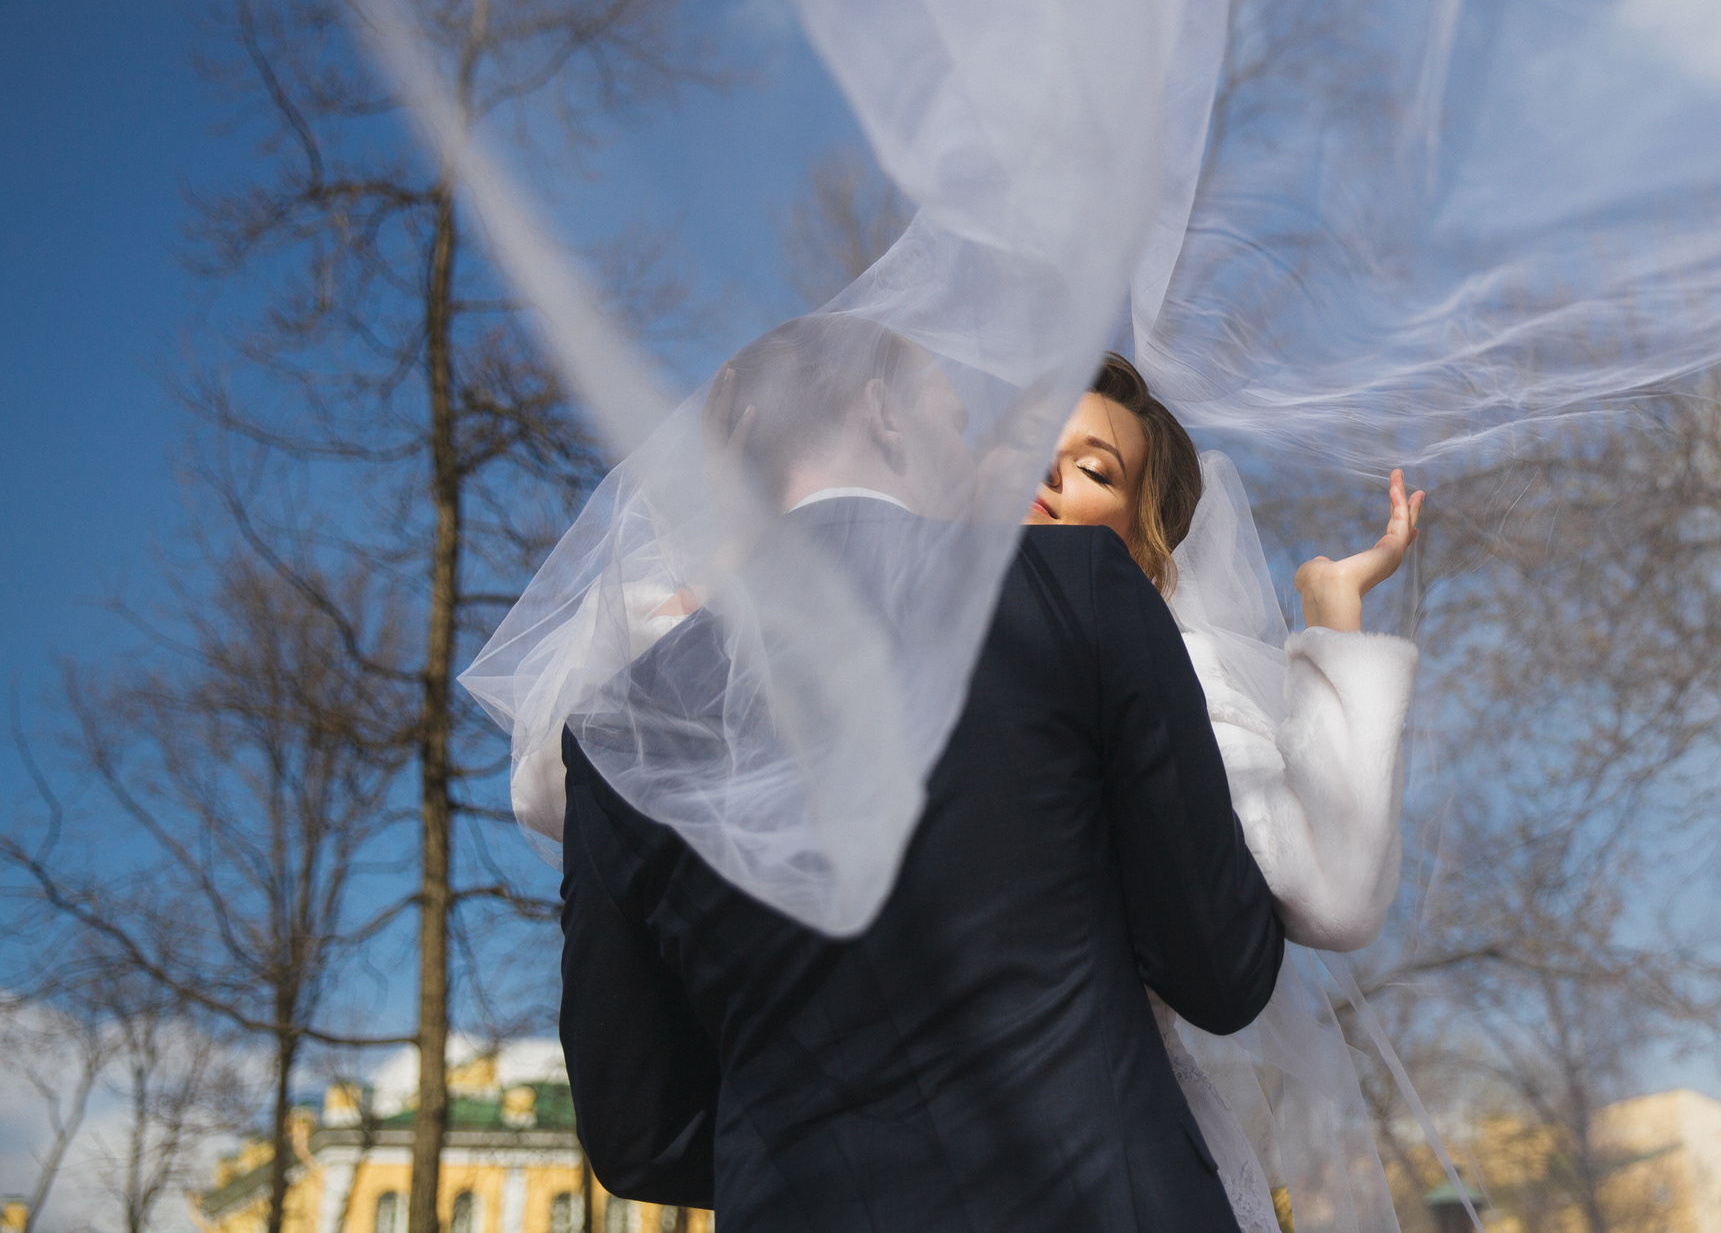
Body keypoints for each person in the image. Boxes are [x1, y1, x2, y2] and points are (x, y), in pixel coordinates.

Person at [556, 315, 1287, 1231]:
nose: (974, 450)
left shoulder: (617, 731)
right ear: (884, 415)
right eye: (953, 419)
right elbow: (1222, 972)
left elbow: (635, 1131)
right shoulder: (1075, 587)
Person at [1026, 354, 1424, 1233]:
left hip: (1115, 1163)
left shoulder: (1167, 677)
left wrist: (1333, 614)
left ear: (1147, 552)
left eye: (1095, 469)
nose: (1047, 473)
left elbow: (1336, 892)